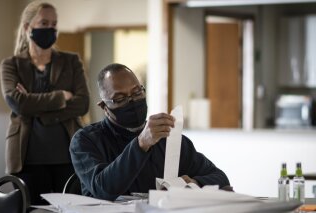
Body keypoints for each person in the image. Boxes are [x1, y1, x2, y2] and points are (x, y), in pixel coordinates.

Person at [70, 63, 231, 201]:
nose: (132, 101)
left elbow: (220, 177)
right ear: (104, 107)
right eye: (120, 99)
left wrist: (194, 183)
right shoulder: (85, 140)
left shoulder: (167, 137)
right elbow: (103, 189)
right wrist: (141, 144)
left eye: (137, 92)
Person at [0, 2, 89, 204]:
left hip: (67, 157)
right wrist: (61, 97)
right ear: (27, 27)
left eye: (54, 24)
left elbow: (83, 103)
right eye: (44, 22)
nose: (50, 28)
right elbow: (18, 104)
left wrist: (35, 106)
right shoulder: (11, 65)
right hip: (27, 159)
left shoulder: (71, 61)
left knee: (71, 208)